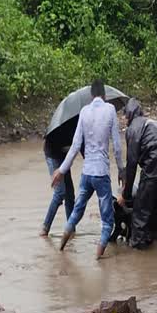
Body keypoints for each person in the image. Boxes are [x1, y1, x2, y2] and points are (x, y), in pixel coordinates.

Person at [52, 79, 124, 258]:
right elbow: (116, 145)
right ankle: (98, 258)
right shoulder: (110, 110)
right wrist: (121, 169)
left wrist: (61, 170)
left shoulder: (84, 111)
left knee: (77, 211)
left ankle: (61, 248)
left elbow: (76, 146)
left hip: (87, 173)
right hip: (101, 173)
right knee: (108, 221)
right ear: (104, 95)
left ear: (92, 95)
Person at [117, 98, 157, 249]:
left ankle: (138, 246)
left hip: (156, 164)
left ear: (129, 115)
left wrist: (126, 195)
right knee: (154, 204)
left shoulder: (133, 128)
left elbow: (132, 164)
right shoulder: (149, 122)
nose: (124, 120)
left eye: (124, 116)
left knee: (141, 209)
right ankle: (150, 237)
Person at [40, 136, 77, 237]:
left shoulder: (75, 122)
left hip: (64, 156)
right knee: (60, 192)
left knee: (70, 195)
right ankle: (45, 228)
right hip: (53, 154)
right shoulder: (57, 127)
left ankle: (71, 229)